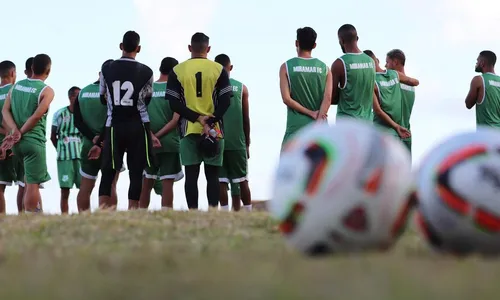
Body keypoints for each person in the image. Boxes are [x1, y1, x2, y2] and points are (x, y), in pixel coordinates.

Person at [88, 31, 158, 210]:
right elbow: (147, 98)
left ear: (121, 46)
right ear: (139, 48)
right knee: (136, 172)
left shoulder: (107, 68)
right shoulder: (147, 71)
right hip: (138, 124)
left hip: (114, 124)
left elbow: (102, 96)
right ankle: (133, 210)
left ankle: (104, 210)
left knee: (108, 171)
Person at [165, 32, 232, 210]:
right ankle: (212, 211)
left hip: (188, 129)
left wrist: (197, 118)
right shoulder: (219, 70)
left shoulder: (177, 71)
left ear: (189, 48)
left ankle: (193, 212)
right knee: (212, 176)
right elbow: (226, 101)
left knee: (191, 176)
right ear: (208, 49)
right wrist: (210, 121)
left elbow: (173, 103)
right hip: (214, 130)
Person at [1, 54, 54, 213]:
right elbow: (37, 116)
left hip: (16, 145)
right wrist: (21, 132)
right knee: (31, 184)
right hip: (33, 142)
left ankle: (26, 215)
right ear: (49, 71)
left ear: (31, 68)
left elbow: (5, 110)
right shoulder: (47, 90)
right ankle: (32, 215)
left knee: (21, 184)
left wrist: (14, 131)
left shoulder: (15, 87)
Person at [74, 60, 124, 212]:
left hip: (88, 146)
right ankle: (109, 218)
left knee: (85, 186)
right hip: (109, 143)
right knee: (111, 185)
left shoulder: (82, 92)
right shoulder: (113, 93)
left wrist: (93, 138)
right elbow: (114, 118)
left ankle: (84, 219)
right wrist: (101, 139)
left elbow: (77, 122)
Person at [139, 57, 183, 210]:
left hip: (148, 143)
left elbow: (140, 114)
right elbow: (175, 120)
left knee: (147, 181)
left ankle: (140, 214)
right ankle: (166, 213)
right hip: (170, 142)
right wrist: (158, 136)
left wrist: (151, 136)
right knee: (167, 182)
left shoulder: (147, 88)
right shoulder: (176, 90)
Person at [279, 27, 332, 147]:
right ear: (314, 45)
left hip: (296, 128)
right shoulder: (325, 68)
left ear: (296, 43)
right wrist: (318, 120)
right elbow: (328, 98)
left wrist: (310, 113)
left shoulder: (286, 67)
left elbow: (286, 99)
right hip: (320, 128)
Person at [214, 54, 252, 211]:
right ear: (231, 68)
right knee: (242, 180)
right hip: (238, 141)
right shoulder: (242, 87)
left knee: (221, 180)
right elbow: (246, 118)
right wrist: (247, 142)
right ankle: (248, 212)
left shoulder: (211, 88)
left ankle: (224, 212)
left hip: (218, 140)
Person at [363, 50, 418, 139]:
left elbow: (378, 110)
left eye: (387, 62)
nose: (385, 65)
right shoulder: (397, 77)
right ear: (377, 60)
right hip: (405, 134)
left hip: (383, 133)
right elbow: (415, 82)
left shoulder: (373, 81)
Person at [331, 24, 376, 120]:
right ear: (357, 38)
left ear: (341, 41)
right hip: (367, 123)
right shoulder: (371, 62)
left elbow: (332, 98)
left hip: (347, 125)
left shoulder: (340, 63)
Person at [50, 86, 83, 214]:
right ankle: (64, 216)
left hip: (81, 157)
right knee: (65, 190)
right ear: (70, 97)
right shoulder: (60, 113)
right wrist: (60, 149)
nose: (79, 99)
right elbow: (53, 136)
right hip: (64, 157)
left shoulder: (84, 114)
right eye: (76, 96)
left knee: (84, 188)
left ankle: (83, 215)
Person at [385, 49, 416, 154]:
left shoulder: (391, 83)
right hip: (407, 135)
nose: (385, 66)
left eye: (387, 62)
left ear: (395, 62)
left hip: (393, 135)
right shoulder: (411, 86)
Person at [465, 51, 500, 128]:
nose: (476, 64)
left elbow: (468, 104)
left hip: (486, 136)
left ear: (482, 63)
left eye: (477, 61)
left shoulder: (478, 80)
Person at [0, 60, 17, 214]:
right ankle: (27, 219)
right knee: (27, 183)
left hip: (1, 143)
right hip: (16, 142)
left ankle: (2, 220)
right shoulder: (17, 91)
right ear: (12, 73)